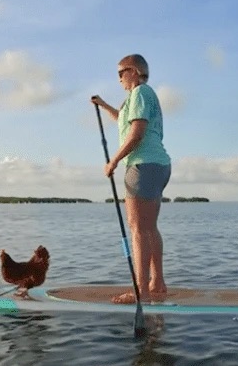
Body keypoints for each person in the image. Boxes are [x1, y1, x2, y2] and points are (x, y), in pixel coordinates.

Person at [90, 53, 171, 304]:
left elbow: (136, 133)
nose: (119, 79)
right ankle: (156, 283)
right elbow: (124, 121)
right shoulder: (138, 98)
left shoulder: (140, 94)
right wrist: (103, 105)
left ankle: (141, 292)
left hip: (141, 165)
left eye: (120, 73)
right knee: (149, 227)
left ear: (134, 71)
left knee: (137, 229)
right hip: (159, 165)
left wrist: (113, 162)